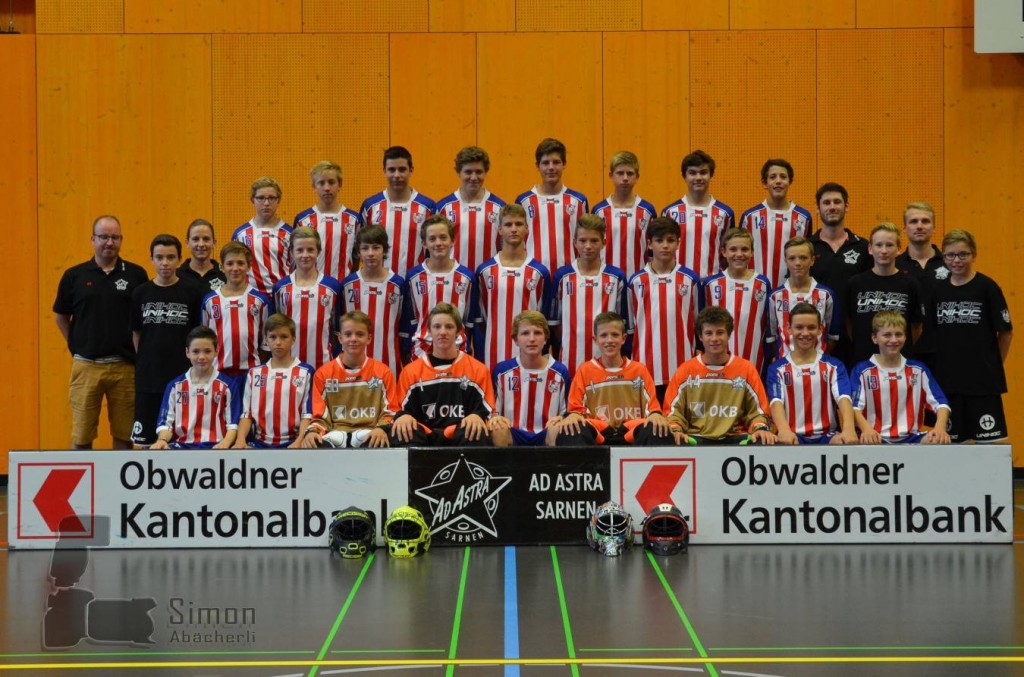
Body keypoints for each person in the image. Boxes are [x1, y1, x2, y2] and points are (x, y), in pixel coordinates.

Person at [53, 215, 148, 450]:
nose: (109, 242)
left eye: (115, 237)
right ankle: (83, 487)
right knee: (82, 436)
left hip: (125, 367)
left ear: (121, 240)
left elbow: (143, 320)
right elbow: (61, 316)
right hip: (86, 366)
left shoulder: (136, 275)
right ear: (93, 239)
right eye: (104, 237)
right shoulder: (74, 276)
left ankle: (120, 487)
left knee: (125, 437)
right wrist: (76, 345)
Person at [930, 229, 1013, 443]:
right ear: (944, 258)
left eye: (963, 254)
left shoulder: (987, 287)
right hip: (948, 382)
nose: (956, 260)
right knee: (951, 443)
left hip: (982, 383)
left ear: (973, 255)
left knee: (987, 444)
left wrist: (993, 364)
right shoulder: (938, 290)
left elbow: (1005, 331)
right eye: (950, 255)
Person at [553, 312, 673, 446]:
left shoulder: (639, 370)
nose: (609, 340)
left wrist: (655, 415)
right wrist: (574, 416)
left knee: (659, 429)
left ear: (623, 338)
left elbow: (653, 410)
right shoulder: (585, 371)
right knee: (570, 430)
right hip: (599, 432)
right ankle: (584, 468)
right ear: (595, 339)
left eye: (615, 335)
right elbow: (576, 410)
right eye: (603, 335)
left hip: (631, 432)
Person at [130, 234, 204, 447]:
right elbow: (136, 333)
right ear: (151, 259)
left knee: (180, 438)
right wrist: (146, 360)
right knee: (144, 441)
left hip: (182, 378)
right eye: (159, 257)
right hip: (148, 379)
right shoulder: (140, 293)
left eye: (171, 257)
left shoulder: (193, 292)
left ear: (180, 259)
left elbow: (198, 334)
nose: (165, 263)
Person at [662, 307, 776, 445]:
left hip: (736, 439)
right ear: (700, 336)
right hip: (695, 439)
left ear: (729, 335)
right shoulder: (686, 370)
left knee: (765, 439)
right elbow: (673, 412)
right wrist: (676, 429)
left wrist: (760, 428)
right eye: (708, 333)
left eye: (720, 333)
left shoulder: (746, 369)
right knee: (670, 438)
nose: (714, 339)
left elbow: (759, 412)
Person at [389, 303, 495, 447]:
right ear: (429, 331)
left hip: (461, 433)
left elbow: (487, 410)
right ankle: (417, 470)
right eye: (437, 326)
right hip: (424, 435)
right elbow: (399, 410)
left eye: (449, 327)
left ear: (458, 331)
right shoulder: (410, 371)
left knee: (476, 432)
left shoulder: (478, 369)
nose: (443, 332)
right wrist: (403, 417)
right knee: (402, 432)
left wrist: (477, 416)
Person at [627, 217, 700, 403]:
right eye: (659, 241)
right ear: (649, 244)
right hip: (644, 366)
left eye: (670, 240)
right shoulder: (636, 281)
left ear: (678, 243)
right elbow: (629, 328)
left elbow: (699, 324)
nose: (665, 245)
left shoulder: (690, 280)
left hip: (683, 367)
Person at [301, 310, 400, 449]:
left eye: (360, 334)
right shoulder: (323, 374)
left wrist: (381, 429)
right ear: (340, 338)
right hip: (334, 435)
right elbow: (320, 417)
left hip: (370, 432)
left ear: (369, 338)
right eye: (348, 334)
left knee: (381, 441)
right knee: (312, 443)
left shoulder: (383, 372)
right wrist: (313, 432)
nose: (353, 339)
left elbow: (390, 411)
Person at [851, 311, 950, 444]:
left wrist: (939, 428)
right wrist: (867, 430)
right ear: (874, 338)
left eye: (898, 334)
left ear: (905, 337)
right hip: (874, 438)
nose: (893, 340)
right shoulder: (862, 370)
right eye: (887, 335)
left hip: (912, 438)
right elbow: (854, 408)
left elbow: (941, 404)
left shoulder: (918, 369)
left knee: (939, 440)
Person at [549, 214, 629, 380]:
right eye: (583, 240)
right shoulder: (562, 276)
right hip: (570, 361)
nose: (588, 246)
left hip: (607, 363)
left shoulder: (616, 277)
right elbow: (555, 325)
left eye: (594, 241)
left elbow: (623, 324)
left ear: (603, 243)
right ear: (574, 242)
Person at [766, 303, 858, 445]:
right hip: (793, 436)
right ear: (789, 329)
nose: (805, 333)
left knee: (843, 442)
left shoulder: (834, 365)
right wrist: (783, 430)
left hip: (828, 435)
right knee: (784, 443)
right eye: (799, 327)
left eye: (811, 327)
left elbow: (843, 398)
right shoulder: (777, 369)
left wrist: (849, 428)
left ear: (820, 329)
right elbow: (776, 402)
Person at [475, 204, 551, 368]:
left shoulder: (540, 272)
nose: (514, 229)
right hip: (493, 354)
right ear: (500, 229)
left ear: (527, 229)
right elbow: (480, 321)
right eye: (508, 225)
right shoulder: (485, 272)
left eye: (519, 224)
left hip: (530, 356)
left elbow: (544, 320)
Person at [201, 241, 274, 396]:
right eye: (230, 263)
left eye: (240, 263)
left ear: (249, 266)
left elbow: (266, 341)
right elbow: (204, 338)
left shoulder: (260, 300)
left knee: (247, 417)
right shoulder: (210, 301)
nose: (235, 268)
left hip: (251, 374)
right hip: (218, 373)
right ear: (221, 267)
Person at [845, 223, 923, 367]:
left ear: (899, 249)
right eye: (879, 245)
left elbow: (916, 327)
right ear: (870, 248)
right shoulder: (855, 283)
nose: (884, 250)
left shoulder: (910, 284)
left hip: (899, 362)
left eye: (889, 245)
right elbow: (849, 325)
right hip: (863, 361)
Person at [151, 326, 240, 449]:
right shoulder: (174, 386)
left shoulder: (228, 386)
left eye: (207, 351)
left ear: (216, 351)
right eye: (196, 351)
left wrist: (224, 444)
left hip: (216, 447)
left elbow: (233, 425)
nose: (201, 357)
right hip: (182, 448)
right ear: (187, 352)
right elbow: (166, 424)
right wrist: (162, 440)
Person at [403, 215, 479, 358]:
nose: (438, 243)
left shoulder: (467, 277)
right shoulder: (413, 277)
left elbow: (469, 322)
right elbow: (411, 321)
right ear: (424, 244)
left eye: (443, 238)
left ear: (453, 241)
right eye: (432, 239)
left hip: (458, 350)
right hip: (422, 351)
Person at [490, 312, 570, 447]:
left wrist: (562, 419)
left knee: (559, 428)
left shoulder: (560, 372)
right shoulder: (502, 371)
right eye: (525, 333)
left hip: (546, 433)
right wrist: (495, 418)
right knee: (498, 428)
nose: (531, 339)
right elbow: (493, 412)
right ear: (515, 339)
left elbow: (567, 413)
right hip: (513, 432)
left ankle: (556, 468)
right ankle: (502, 468)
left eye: (537, 333)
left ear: (545, 339)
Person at [234, 314, 314, 449]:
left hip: (293, 443)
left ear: (293, 338)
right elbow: (246, 414)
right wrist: (240, 440)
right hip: (260, 444)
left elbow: (307, 414)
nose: (278, 342)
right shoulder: (254, 373)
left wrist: (299, 441)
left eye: (284, 337)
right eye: (272, 337)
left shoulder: (306, 372)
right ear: (266, 340)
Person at [701, 228, 772, 375]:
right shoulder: (711, 284)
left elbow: (769, 324)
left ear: (752, 252)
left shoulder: (762, 283)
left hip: (755, 360)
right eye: (733, 249)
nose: (739, 254)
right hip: (718, 361)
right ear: (723, 251)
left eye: (744, 249)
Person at [339, 225, 407, 376]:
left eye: (376, 248)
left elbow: (404, 330)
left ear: (384, 250)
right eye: (365, 248)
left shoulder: (398, 284)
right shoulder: (347, 284)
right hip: (352, 366)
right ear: (358, 251)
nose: (370, 253)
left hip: (389, 363)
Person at [271, 227, 342, 370]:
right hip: (288, 366)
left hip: (324, 365)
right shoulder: (280, 288)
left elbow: (337, 330)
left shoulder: (332, 286)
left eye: (310, 250)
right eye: (299, 250)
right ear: (291, 252)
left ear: (318, 252)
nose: (305, 255)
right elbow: (274, 329)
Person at [516, 138, 589, 275]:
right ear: (537, 166)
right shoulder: (523, 201)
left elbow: (586, 240)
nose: (551, 167)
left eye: (556, 162)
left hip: (570, 277)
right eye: (545, 163)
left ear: (564, 164)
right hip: (532, 277)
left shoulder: (579, 201)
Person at [360, 146, 436, 278]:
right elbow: (360, 246)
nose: (396, 175)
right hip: (380, 285)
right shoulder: (370, 206)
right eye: (391, 170)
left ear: (411, 170)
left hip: (417, 282)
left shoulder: (427, 207)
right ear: (384, 171)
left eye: (402, 169)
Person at [661, 149, 735, 279]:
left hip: (713, 285)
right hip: (677, 283)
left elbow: (729, 252)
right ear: (685, 176)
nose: (698, 178)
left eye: (703, 173)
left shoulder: (725, 213)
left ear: (711, 176)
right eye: (692, 173)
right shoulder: (670, 212)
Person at [740, 159, 813, 289]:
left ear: (790, 182)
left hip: (791, 291)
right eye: (773, 177)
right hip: (755, 290)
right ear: (764, 183)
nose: (778, 181)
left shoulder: (803, 217)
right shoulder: (750, 217)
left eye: (783, 177)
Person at [435, 146, 507, 275]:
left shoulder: (500, 207)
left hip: (489, 280)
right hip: (453, 282)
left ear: (486, 172)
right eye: (468, 172)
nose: (473, 177)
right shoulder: (443, 207)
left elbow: (506, 247)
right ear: (458, 172)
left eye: (479, 172)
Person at [767, 237, 840, 358]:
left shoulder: (826, 295)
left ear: (812, 260)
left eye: (803, 258)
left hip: (818, 366)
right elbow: (772, 337)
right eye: (792, 258)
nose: (798, 263)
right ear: (785, 261)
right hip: (785, 365)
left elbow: (833, 337)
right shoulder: (775, 296)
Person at [591, 151, 657, 280]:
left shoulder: (647, 211)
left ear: (637, 176)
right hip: (605, 282)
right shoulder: (599, 211)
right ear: (611, 176)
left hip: (639, 281)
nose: (625, 178)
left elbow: (653, 251)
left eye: (630, 173)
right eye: (620, 173)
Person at [293, 160, 363, 281]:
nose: (326, 188)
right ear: (314, 186)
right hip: (312, 289)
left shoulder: (354, 220)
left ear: (339, 184)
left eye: (331, 182)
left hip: (343, 287)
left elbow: (357, 255)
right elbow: (295, 257)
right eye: (321, 183)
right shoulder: (302, 220)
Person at [808, 182, 870, 316]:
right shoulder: (807, 248)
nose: (832, 207)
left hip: (854, 326)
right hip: (817, 328)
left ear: (846, 206)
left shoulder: (864, 247)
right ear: (817, 208)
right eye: (826, 203)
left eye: (837, 202)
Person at [232, 177, 293, 295]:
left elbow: (296, 269)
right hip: (251, 299)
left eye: (271, 198)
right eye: (260, 198)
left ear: (278, 200)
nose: (266, 203)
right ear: (252, 200)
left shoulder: (290, 234)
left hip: (282, 296)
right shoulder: (240, 234)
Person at [896, 201, 944, 280]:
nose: (919, 226)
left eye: (925, 221)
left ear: (934, 228)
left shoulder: (949, 263)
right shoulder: (895, 265)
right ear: (905, 228)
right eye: (913, 221)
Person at [177, 219, 226, 292]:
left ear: (214, 243)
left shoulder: (225, 275)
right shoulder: (176, 276)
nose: (201, 244)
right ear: (187, 243)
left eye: (206, 239)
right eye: (195, 239)